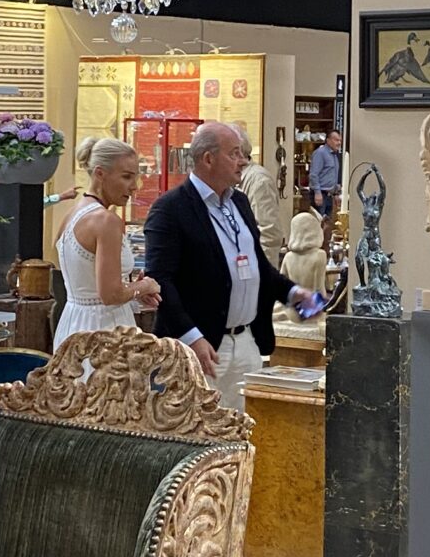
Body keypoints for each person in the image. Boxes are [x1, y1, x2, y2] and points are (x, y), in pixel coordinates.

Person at [144, 120, 321, 409]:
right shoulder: (170, 209)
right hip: (200, 347)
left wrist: (293, 293)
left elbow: (257, 266)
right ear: (208, 159)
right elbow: (160, 280)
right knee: (198, 427)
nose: (243, 161)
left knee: (244, 427)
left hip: (246, 343)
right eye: (234, 154)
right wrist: (192, 337)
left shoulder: (239, 202)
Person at [53, 138, 162, 349]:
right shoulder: (106, 220)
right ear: (100, 174)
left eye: (136, 177)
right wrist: (145, 285)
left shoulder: (70, 215)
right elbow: (110, 295)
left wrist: (132, 291)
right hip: (105, 331)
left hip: (71, 324)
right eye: (127, 177)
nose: (134, 187)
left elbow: (87, 282)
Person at [233, 125, 286, 251]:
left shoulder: (259, 181)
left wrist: (256, 263)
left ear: (238, 154)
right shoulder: (229, 179)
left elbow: (269, 236)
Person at [307, 127, 343, 221]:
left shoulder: (334, 155)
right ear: (328, 140)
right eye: (336, 140)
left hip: (330, 196)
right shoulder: (320, 153)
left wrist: (336, 193)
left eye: (340, 140)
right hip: (320, 195)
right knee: (319, 222)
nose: (339, 143)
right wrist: (317, 193)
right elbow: (313, 175)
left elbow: (332, 176)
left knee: (327, 224)